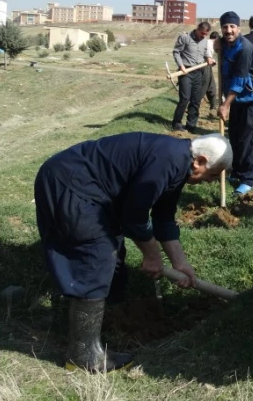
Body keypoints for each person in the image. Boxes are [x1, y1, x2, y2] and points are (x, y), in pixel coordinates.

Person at [34, 131, 232, 372]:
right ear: (199, 161)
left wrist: (180, 264)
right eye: (211, 175)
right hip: (70, 182)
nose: (210, 181)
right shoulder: (168, 160)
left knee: (113, 254)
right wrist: (152, 256)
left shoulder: (178, 163)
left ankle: (110, 322)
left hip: (92, 190)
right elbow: (134, 218)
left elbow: (163, 219)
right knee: (97, 254)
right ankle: (83, 353)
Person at [218, 11, 253, 196]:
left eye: (232, 27)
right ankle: (237, 171)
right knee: (236, 137)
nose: (228, 30)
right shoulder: (226, 44)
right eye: (225, 27)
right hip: (237, 99)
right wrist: (217, 45)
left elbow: (239, 80)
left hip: (252, 99)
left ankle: (249, 178)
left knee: (251, 139)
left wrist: (225, 105)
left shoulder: (245, 48)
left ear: (239, 28)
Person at [171, 22, 215, 133]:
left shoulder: (205, 41)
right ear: (197, 29)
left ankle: (191, 125)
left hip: (199, 72)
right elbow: (176, 52)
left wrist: (209, 57)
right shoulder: (185, 37)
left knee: (196, 100)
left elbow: (205, 53)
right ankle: (177, 123)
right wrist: (181, 66)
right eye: (202, 33)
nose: (203, 36)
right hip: (186, 72)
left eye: (206, 34)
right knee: (185, 98)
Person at [199, 31, 220, 113]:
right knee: (204, 85)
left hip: (207, 66)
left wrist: (212, 61)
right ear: (216, 39)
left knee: (212, 86)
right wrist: (210, 60)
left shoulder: (209, 42)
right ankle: (194, 104)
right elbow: (207, 54)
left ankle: (213, 105)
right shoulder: (209, 43)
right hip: (204, 66)